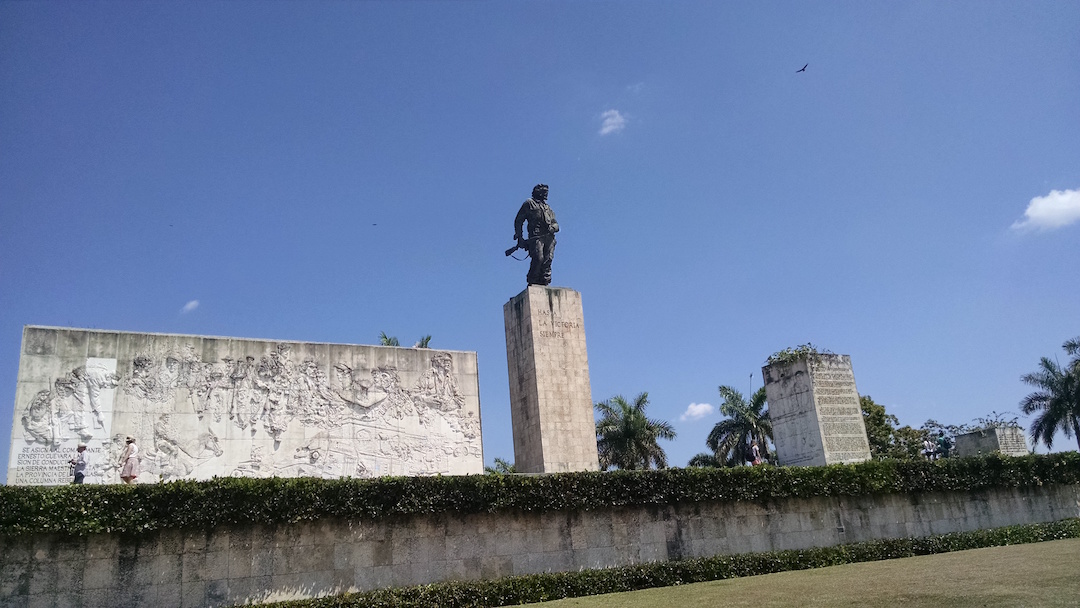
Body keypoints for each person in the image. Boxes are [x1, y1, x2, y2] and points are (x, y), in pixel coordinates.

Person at [513, 183, 560, 286]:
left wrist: (553, 228)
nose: (546, 194)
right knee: (538, 258)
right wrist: (519, 236)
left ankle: (545, 281)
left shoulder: (548, 208)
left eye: (547, 192)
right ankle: (533, 280)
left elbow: (555, 223)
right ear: (538, 192)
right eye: (544, 192)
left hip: (549, 237)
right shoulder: (529, 203)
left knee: (548, 259)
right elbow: (519, 220)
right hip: (536, 237)